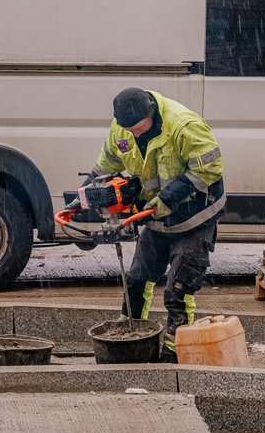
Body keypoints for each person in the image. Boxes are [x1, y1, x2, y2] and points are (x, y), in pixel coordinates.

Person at [85, 87, 225, 363]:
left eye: (138, 128)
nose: (134, 134)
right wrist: (87, 191)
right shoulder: (122, 128)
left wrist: (168, 199)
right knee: (135, 280)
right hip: (155, 215)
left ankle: (175, 353)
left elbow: (209, 168)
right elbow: (108, 161)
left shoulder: (184, 126)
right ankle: (130, 341)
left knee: (178, 290)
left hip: (194, 214)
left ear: (151, 113)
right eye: (129, 129)